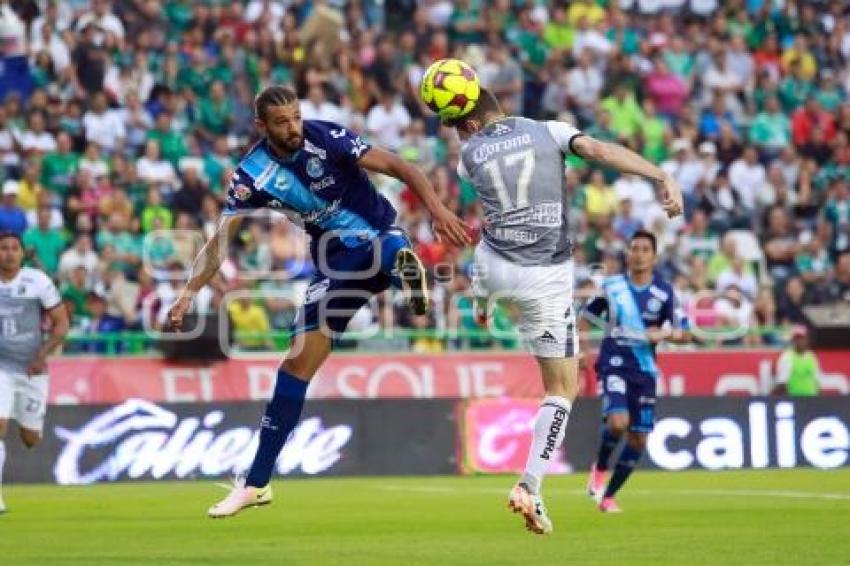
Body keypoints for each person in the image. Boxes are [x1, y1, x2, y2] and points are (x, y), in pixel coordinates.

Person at [167, 85, 469, 518]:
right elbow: (218, 244)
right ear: (261, 127)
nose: (292, 127)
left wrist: (438, 211)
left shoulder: (327, 137)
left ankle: (403, 269)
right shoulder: (251, 175)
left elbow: (400, 166)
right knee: (293, 367)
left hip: (376, 235)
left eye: (295, 117)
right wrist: (188, 293)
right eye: (281, 122)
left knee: (386, 246)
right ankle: (256, 484)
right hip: (334, 266)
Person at [443, 87, 683, 534]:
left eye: (457, 126)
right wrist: (656, 173)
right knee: (561, 389)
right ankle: (530, 486)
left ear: (470, 125)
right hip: (542, 277)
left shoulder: (469, 154)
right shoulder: (549, 130)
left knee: (489, 240)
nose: (458, 136)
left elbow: (479, 145)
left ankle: (480, 302)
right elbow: (595, 150)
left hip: (494, 265)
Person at [581, 230, 690, 514]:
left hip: (644, 370)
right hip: (614, 361)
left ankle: (608, 497)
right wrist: (582, 352)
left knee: (639, 439)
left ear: (654, 257)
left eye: (644, 249)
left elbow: (685, 333)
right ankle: (600, 468)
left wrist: (663, 333)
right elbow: (585, 320)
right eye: (634, 248)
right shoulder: (612, 286)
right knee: (618, 423)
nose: (638, 253)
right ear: (628, 254)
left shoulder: (665, 291)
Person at [0, 231, 69, 513]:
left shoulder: (37, 281)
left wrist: (43, 355)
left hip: (31, 370)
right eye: (3, 248)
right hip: (1, 366)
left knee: (30, 439)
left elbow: (61, 323)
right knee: (0, 426)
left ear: (21, 253)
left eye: (14, 248)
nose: (9, 253)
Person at [772, 326, 821, 396]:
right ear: (793, 340)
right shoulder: (787, 357)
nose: (799, 341)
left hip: (811, 399)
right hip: (794, 399)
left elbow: (817, 381)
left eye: (802, 338)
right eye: (797, 338)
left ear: (807, 340)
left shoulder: (812, 357)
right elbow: (782, 383)